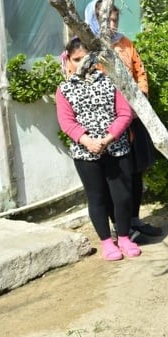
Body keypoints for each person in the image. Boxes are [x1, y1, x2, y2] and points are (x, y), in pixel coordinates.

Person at [56, 38, 140, 261]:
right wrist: (87, 141)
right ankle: (106, 242)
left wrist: (108, 138)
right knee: (97, 197)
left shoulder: (112, 81)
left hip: (116, 148)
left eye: (86, 57)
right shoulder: (64, 89)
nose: (82, 62)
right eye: (76, 59)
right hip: (86, 153)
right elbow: (67, 122)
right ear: (69, 61)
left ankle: (123, 237)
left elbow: (124, 113)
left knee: (122, 196)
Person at [83, 0, 161, 240]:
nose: (112, 24)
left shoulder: (125, 44)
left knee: (134, 171)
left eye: (115, 19)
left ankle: (134, 221)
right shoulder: (85, 48)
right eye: (107, 19)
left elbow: (140, 72)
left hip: (133, 117)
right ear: (94, 20)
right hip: (103, 124)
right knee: (111, 177)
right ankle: (117, 227)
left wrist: (140, 101)